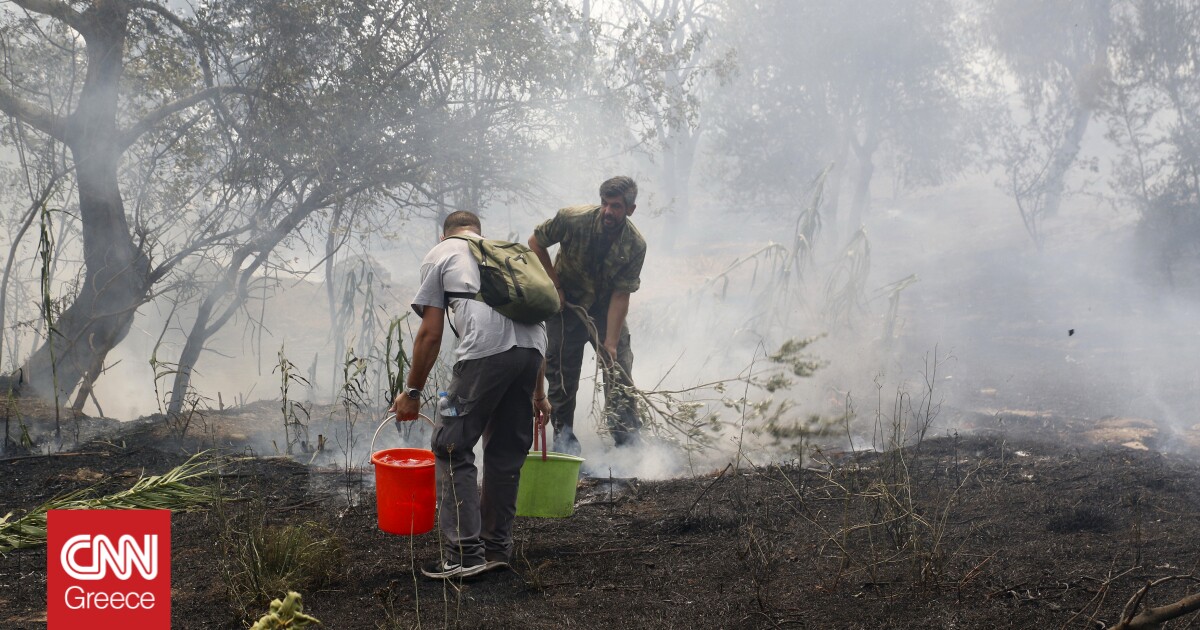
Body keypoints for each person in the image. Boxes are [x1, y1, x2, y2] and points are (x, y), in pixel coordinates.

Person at [391, 210, 551, 580]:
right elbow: (534, 321)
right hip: (533, 351)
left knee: (451, 445)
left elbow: (430, 334)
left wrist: (412, 392)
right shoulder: (502, 255)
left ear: (445, 233)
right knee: (505, 451)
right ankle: (496, 549)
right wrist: (539, 395)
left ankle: (463, 555)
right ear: (477, 231)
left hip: (484, 350)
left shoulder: (442, 253)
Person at [527, 176, 647, 455]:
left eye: (616, 206)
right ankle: (565, 442)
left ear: (630, 209)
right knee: (561, 376)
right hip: (565, 308)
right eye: (605, 203)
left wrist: (612, 343)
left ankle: (627, 444)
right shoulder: (572, 219)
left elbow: (621, 294)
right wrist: (555, 285)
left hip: (605, 309)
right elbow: (535, 242)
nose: (608, 211)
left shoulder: (635, 245)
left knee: (619, 370)